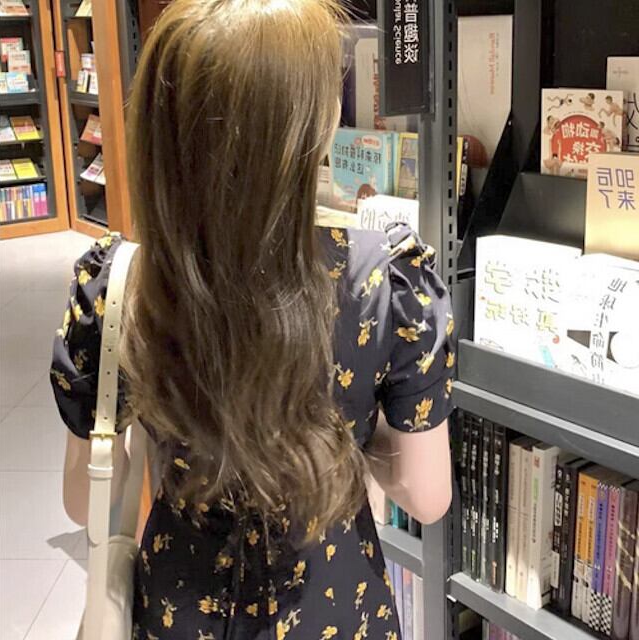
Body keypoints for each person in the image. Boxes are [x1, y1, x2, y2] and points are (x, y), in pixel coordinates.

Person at [50, 0, 455, 638]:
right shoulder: (385, 282)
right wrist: (349, 436)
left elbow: (84, 501)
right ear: (311, 126)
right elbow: (426, 497)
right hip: (334, 607)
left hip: (181, 609)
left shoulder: (118, 285)